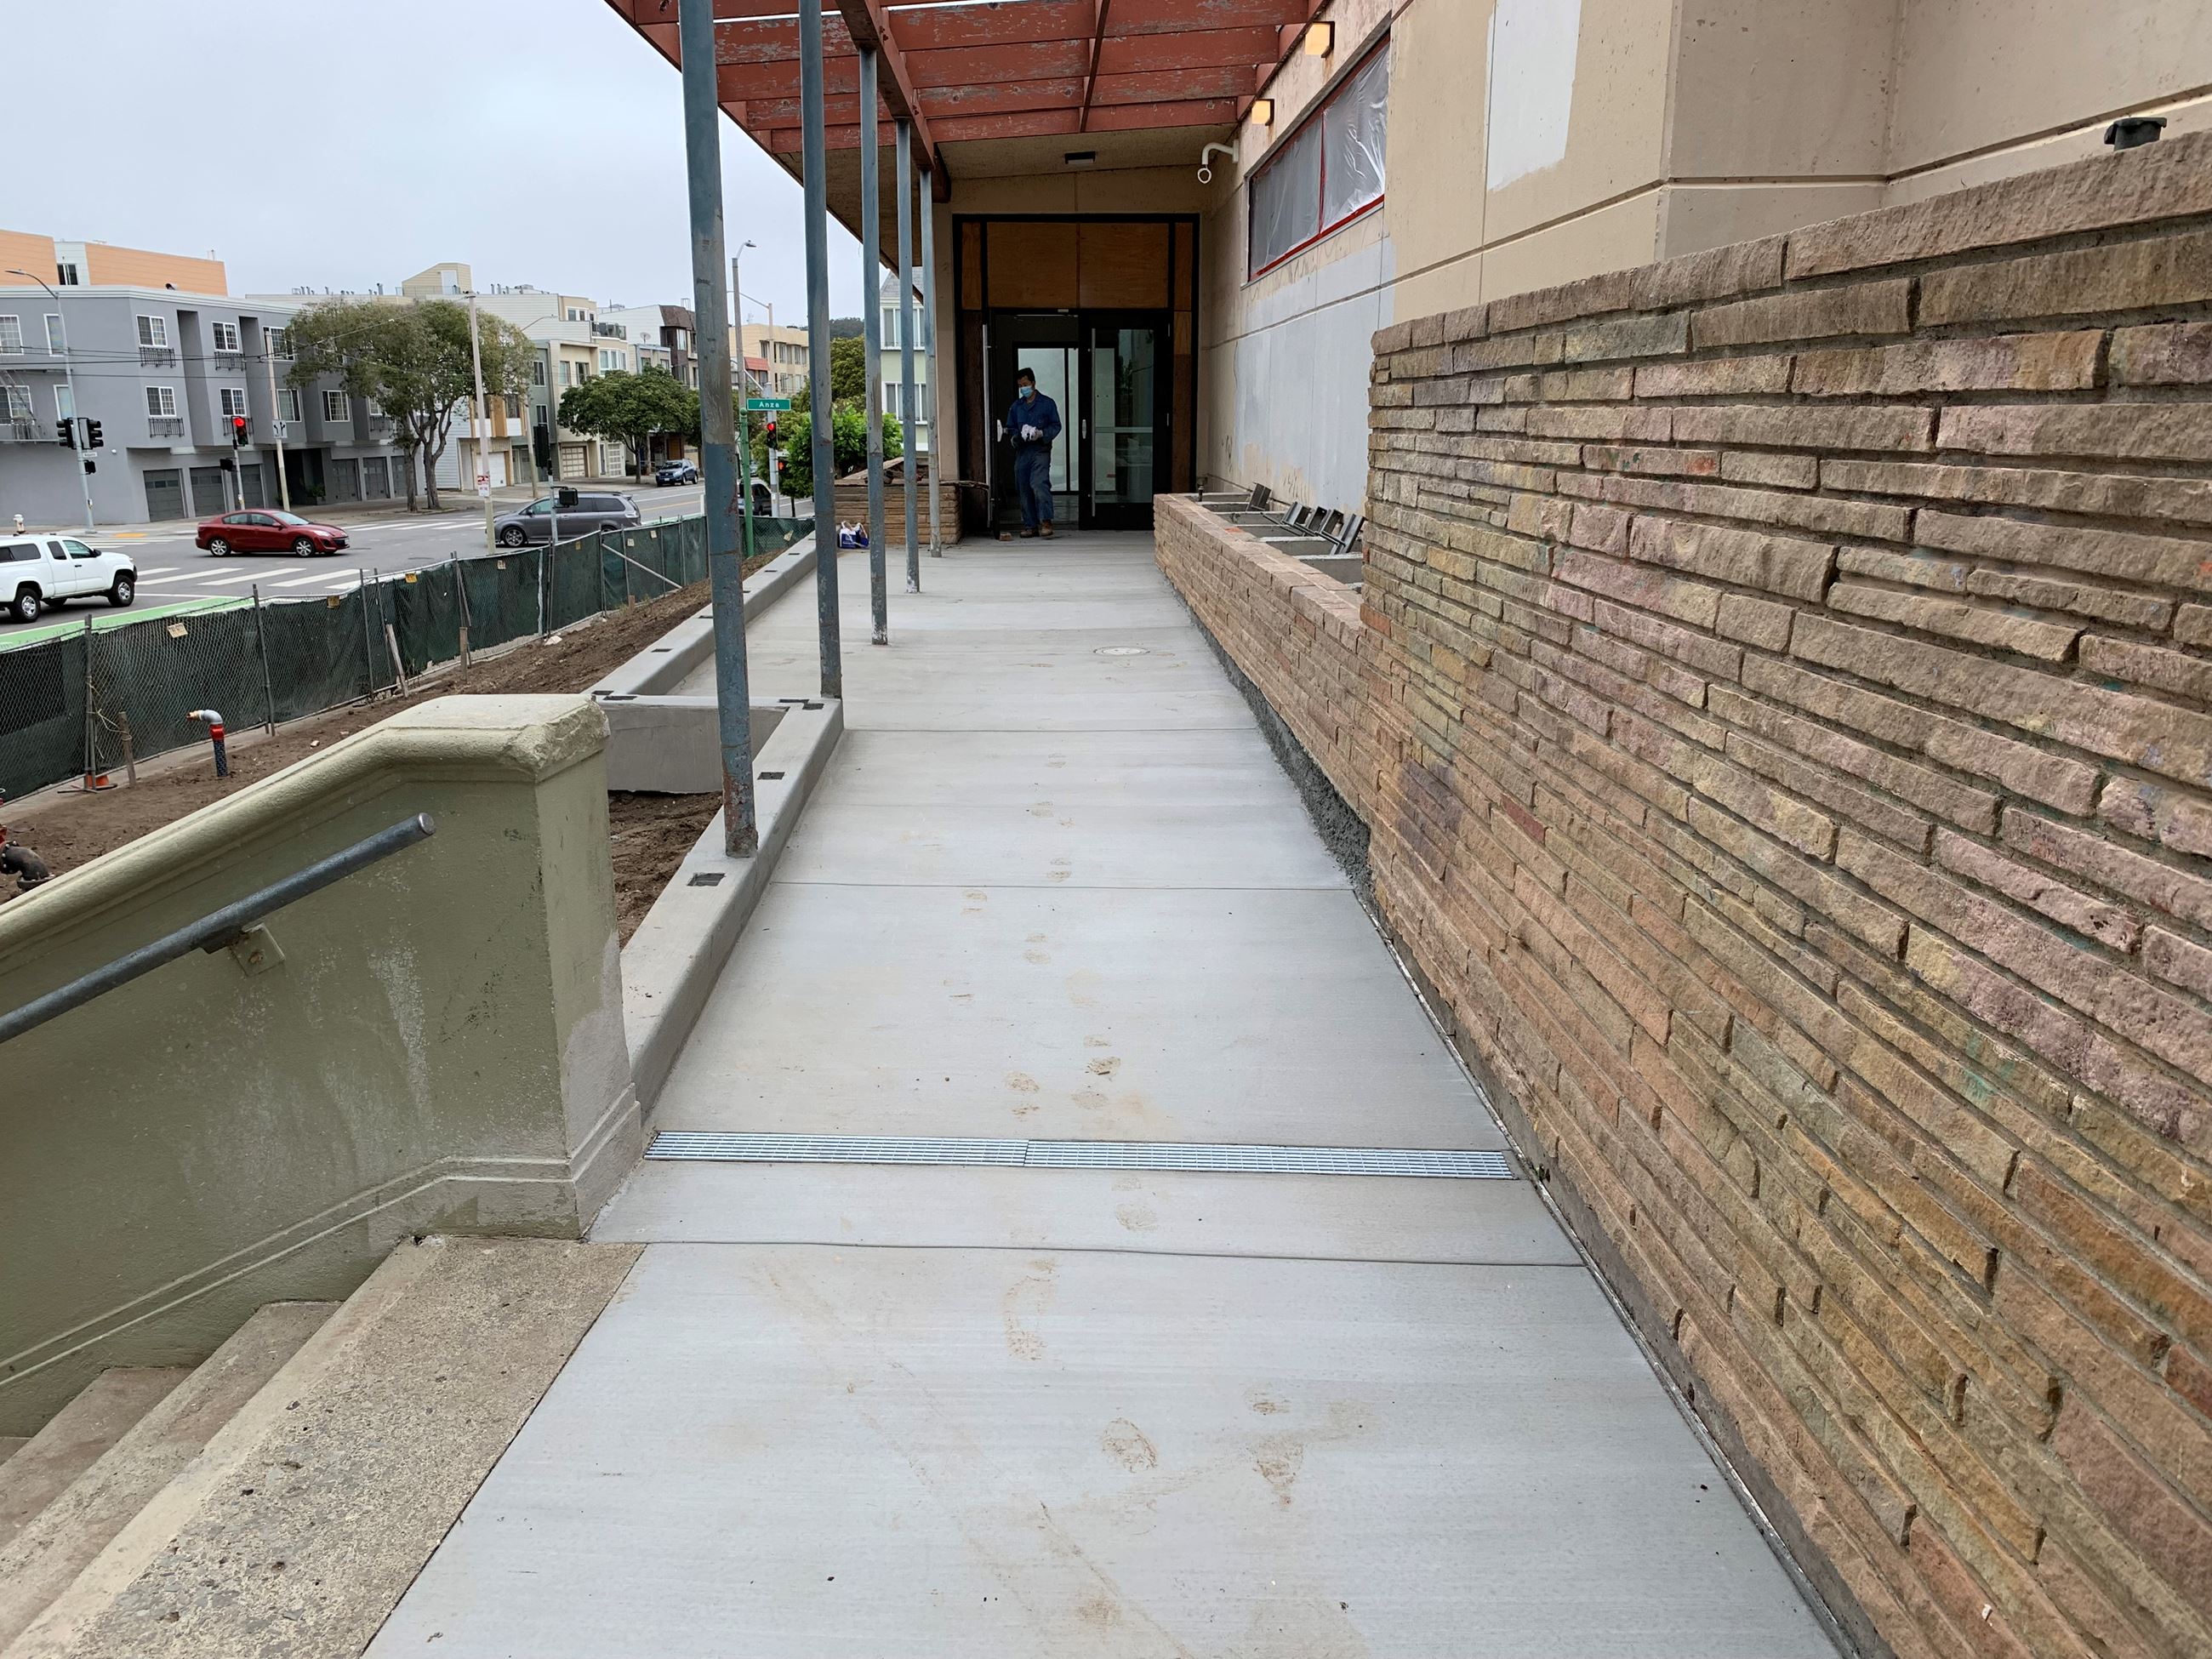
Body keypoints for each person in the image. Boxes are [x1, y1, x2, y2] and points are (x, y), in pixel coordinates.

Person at [1002, 368, 1062, 540]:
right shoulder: (1016, 407)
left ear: (1034, 383)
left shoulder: (1047, 404)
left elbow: (1056, 426)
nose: (1024, 388)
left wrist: (1041, 433)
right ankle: (1030, 525)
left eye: (1026, 384)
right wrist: (1016, 437)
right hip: (1023, 451)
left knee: (1038, 483)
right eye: (1021, 386)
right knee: (1023, 487)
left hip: (1040, 450)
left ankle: (1046, 522)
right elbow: (1011, 428)